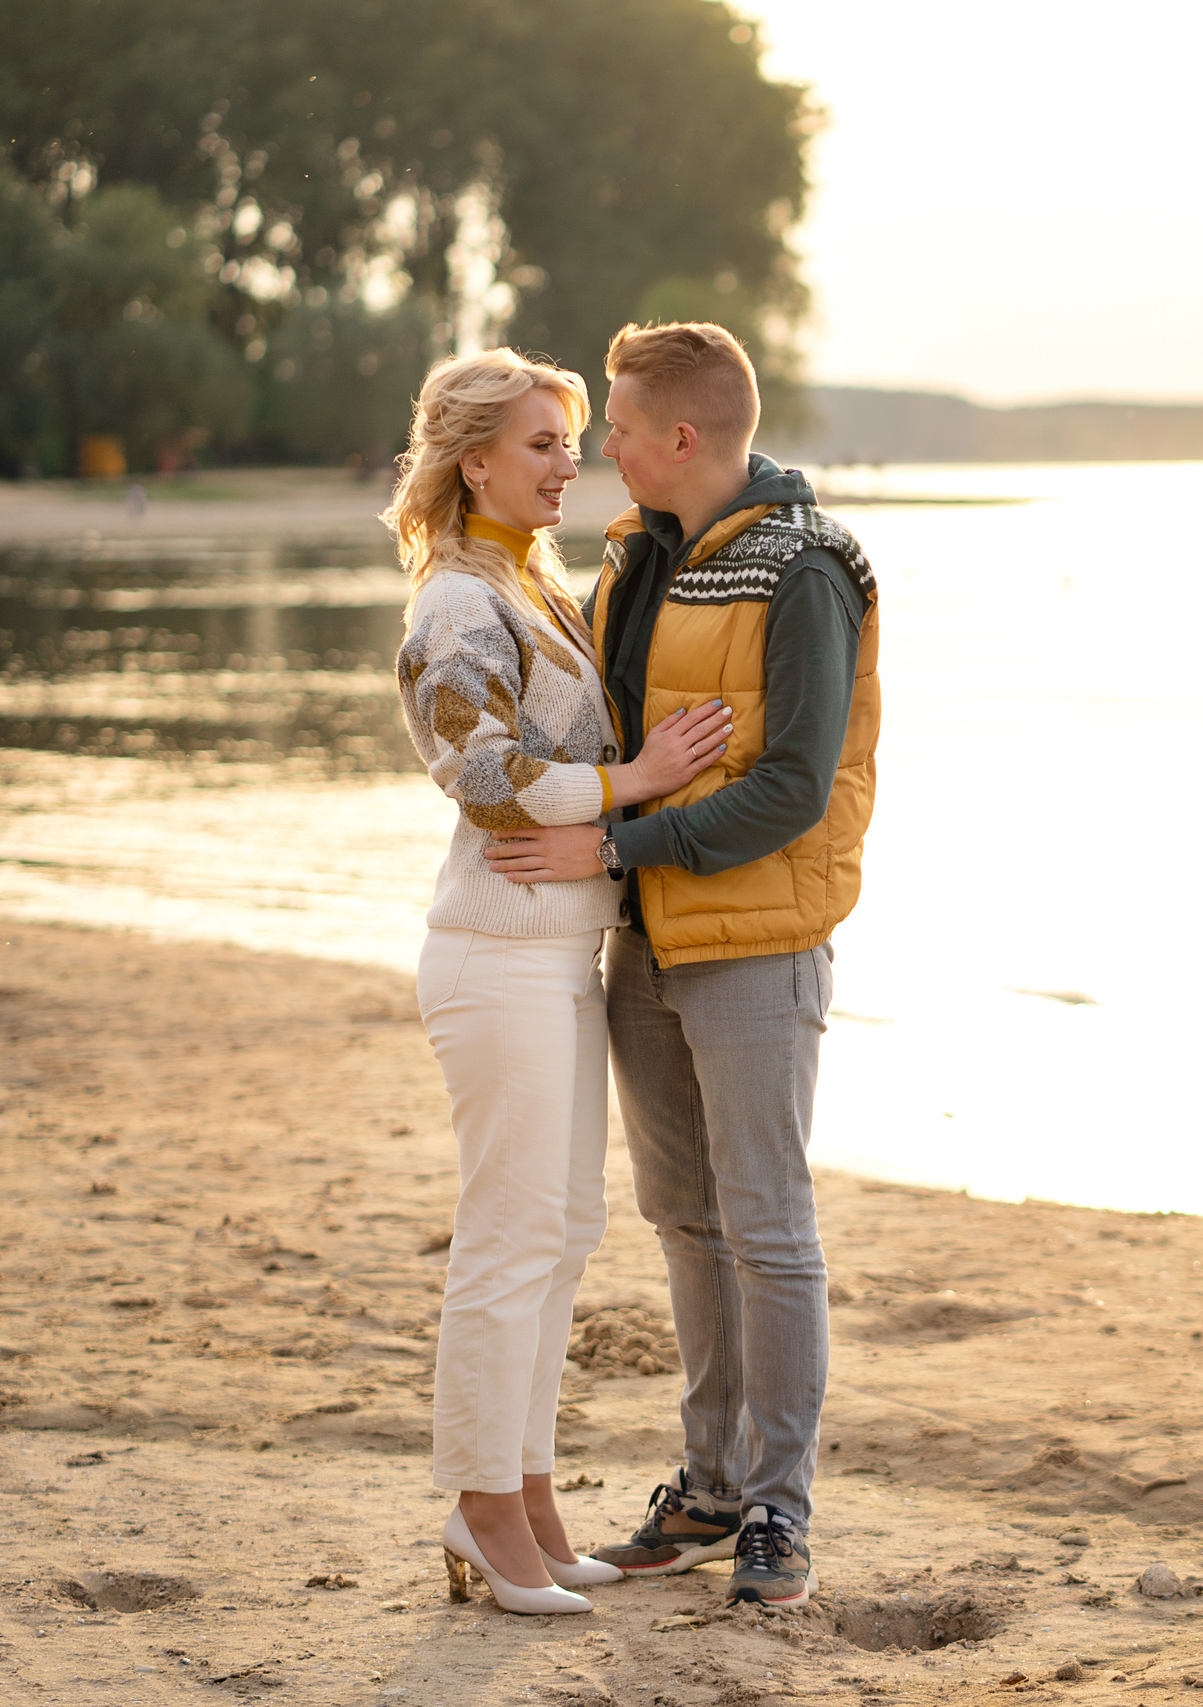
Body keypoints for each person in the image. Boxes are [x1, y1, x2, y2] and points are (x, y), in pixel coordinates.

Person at [482, 321, 879, 1608]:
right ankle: (709, 1489)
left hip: (756, 947)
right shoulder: (631, 559)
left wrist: (616, 838)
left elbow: (793, 790)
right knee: (686, 1223)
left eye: (617, 424)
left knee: (767, 1229)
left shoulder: (806, 567)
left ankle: (777, 1511)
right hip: (644, 943)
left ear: (683, 436)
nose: (603, 444)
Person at [386, 346, 734, 1615]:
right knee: (509, 1239)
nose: (565, 466)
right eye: (540, 444)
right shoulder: (453, 603)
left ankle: (527, 1496)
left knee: (562, 1233)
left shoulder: (526, 582)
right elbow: (480, 774)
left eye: (570, 443)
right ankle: (481, 1506)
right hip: (495, 959)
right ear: (473, 461)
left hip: (556, 954)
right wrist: (634, 782)